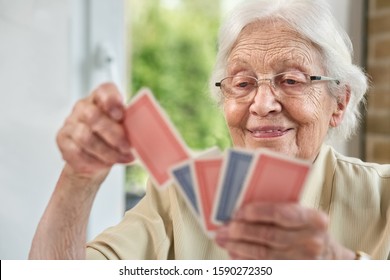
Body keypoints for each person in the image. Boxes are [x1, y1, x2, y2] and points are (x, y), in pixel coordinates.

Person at [29, 0, 390, 260]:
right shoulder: (176, 198)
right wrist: (79, 177)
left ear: (339, 103)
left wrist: (332, 263)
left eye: (291, 80)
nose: (262, 104)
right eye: (243, 83)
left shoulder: (383, 200)